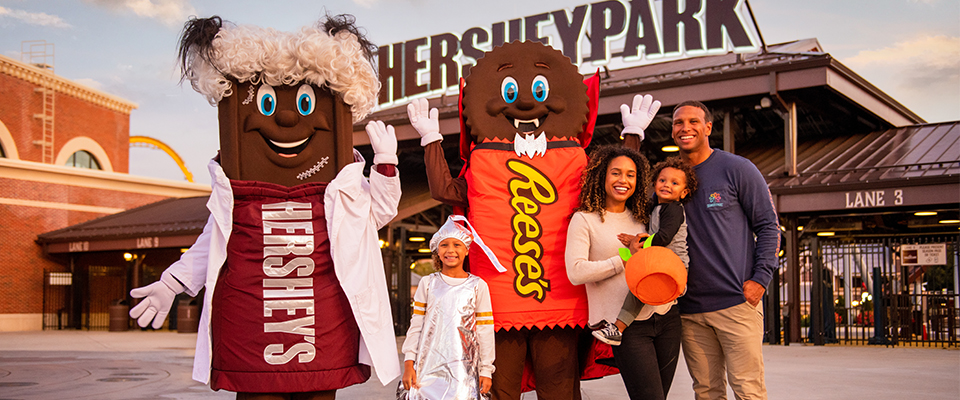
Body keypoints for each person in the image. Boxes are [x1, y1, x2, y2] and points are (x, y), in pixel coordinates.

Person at [671, 100, 780, 399]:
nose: (686, 128)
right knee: (706, 391)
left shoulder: (736, 168)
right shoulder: (670, 179)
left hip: (735, 302)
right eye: (679, 122)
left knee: (748, 389)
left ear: (708, 127)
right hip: (690, 309)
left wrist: (760, 280)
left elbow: (769, 226)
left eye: (694, 121)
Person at [566, 145, 683, 400]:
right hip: (626, 327)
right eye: (616, 173)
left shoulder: (643, 216)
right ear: (602, 176)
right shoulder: (585, 220)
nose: (623, 180)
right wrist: (624, 258)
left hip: (666, 317)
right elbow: (576, 272)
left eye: (631, 175)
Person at [592, 157, 698, 349]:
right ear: (654, 182)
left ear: (684, 193)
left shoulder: (673, 210)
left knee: (640, 287)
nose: (667, 185)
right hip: (659, 260)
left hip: (674, 265)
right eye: (662, 180)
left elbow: (664, 237)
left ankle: (618, 328)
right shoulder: (656, 206)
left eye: (675, 183)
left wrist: (637, 241)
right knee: (629, 262)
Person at [401, 216, 495, 400]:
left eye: (457, 245)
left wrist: (486, 369)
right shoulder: (427, 283)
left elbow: (485, 330)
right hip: (426, 368)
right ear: (437, 250)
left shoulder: (478, 285)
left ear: (467, 250)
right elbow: (417, 325)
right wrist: (408, 363)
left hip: (463, 371)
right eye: (444, 245)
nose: (450, 250)